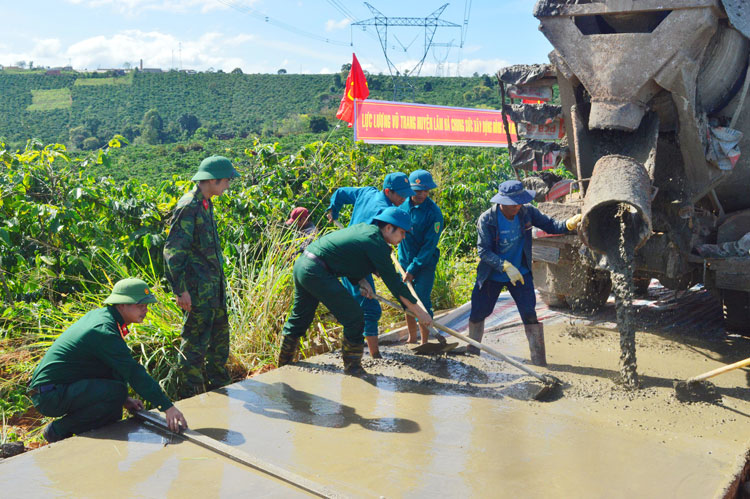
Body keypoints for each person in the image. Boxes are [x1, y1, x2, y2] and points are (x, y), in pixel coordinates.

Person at [28, 278, 188, 442]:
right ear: (122, 305)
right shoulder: (103, 330)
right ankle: (58, 430)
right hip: (50, 395)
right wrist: (167, 407)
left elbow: (112, 367)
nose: (145, 310)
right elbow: (133, 372)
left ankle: (88, 434)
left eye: (146, 305)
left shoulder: (105, 318)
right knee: (116, 393)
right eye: (140, 305)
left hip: (59, 389)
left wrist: (125, 400)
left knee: (116, 399)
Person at [279, 207, 432, 375]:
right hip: (317, 271)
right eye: (402, 233)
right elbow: (395, 285)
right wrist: (419, 312)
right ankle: (353, 368)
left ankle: (283, 365)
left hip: (303, 264)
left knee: (300, 318)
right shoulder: (375, 242)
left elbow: (348, 256)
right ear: (389, 228)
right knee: (354, 317)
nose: (403, 238)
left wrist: (361, 280)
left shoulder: (366, 231)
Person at [467, 180, 581, 365]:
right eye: (514, 203)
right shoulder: (487, 219)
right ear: (502, 202)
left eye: (520, 201)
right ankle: (472, 354)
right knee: (479, 312)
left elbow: (550, 225)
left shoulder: (527, 212)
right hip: (491, 275)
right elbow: (484, 251)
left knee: (529, 314)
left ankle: (539, 361)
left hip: (520, 272)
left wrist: (568, 224)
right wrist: (504, 266)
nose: (517, 206)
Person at [163, 155, 240, 398]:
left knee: (219, 340)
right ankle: (190, 396)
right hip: (196, 290)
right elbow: (173, 251)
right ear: (212, 180)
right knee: (194, 343)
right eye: (226, 181)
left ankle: (220, 386)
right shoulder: (189, 206)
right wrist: (180, 290)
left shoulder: (206, 203)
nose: (228, 185)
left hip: (212, 288)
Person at [326, 172, 416, 358]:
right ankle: (373, 356)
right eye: (400, 194)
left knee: (361, 308)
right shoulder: (384, 213)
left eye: (406, 194)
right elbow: (376, 245)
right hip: (353, 262)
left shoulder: (367, 192)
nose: (404, 198)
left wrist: (333, 210)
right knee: (369, 308)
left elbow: (341, 193)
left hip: (354, 257)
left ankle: (358, 353)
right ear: (387, 191)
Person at [398, 170, 444, 344]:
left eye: (425, 191)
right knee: (406, 300)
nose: (422, 194)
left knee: (421, 300)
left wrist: (413, 268)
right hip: (403, 260)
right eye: (417, 191)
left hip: (424, 263)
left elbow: (429, 246)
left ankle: (425, 342)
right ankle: (412, 338)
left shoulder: (434, 213)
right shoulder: (401, 206)